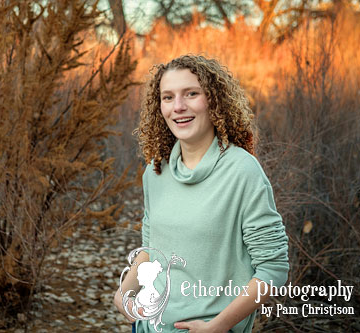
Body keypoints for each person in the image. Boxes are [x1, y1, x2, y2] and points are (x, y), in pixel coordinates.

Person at [113, 54, 289, 333]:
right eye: (168, 97)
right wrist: (123, 293)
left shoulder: (242, 171)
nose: (178, 107)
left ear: (214, 101)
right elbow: (151, 249)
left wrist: (218, 326)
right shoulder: (155, 172)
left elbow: (273, 271)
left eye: (191, 94)